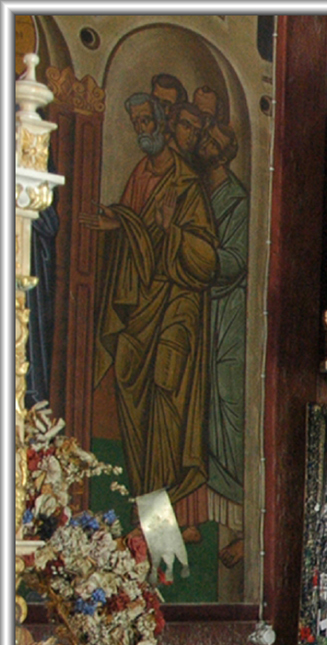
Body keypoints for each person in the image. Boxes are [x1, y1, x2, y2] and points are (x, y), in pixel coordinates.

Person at [88, 92, 218, 536]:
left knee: (166, 404)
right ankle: (146, 512)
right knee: (131, 390)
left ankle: (161, 526)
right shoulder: (140, 174)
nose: (143, 128)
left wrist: (171, 230)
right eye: (137, 122)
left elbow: (206, 259)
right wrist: (119, 224)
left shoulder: (187, 185)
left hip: (175, 308)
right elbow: (135, 232)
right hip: (138, 305)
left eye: (148, 120)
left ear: (163, 123)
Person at [198, 120, 249, 567]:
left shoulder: (235, 200)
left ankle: (240, 529)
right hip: (199, 311)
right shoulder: (195, 191)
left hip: (229, 312)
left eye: (215, 141)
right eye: (205, 138)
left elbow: (234, 261)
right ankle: (198, 517)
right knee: (201, 408)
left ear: (227, 152)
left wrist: (194, 254)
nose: (206, 145)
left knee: (227, 407)